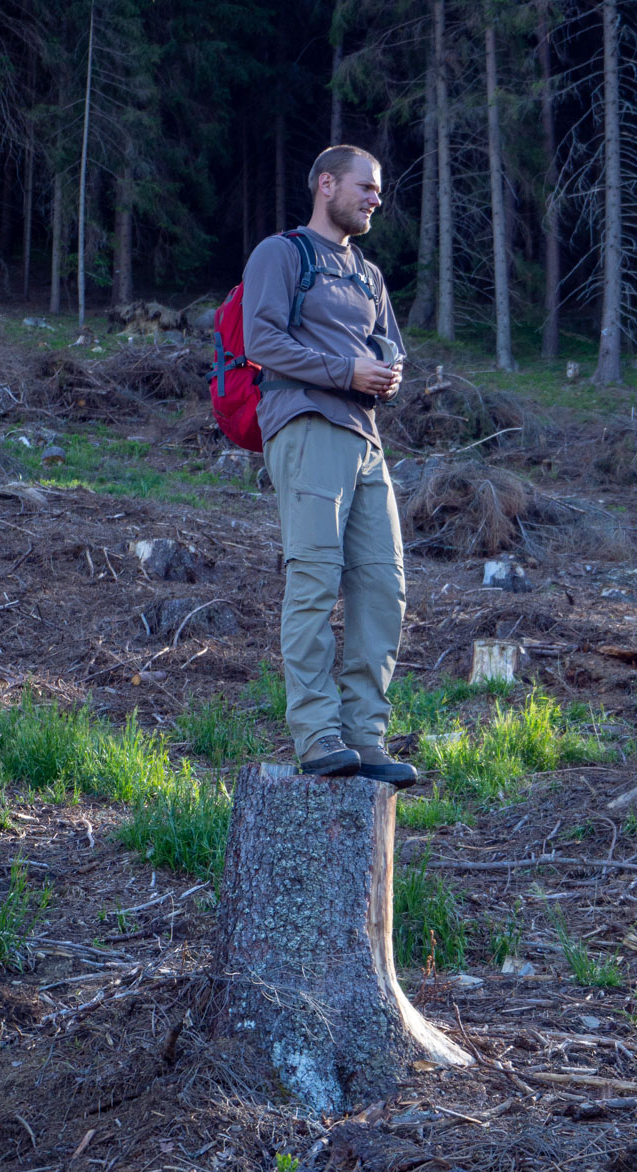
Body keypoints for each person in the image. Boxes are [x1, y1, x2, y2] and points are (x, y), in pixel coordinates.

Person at [242, 144, 417, 788]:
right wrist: (347, 370)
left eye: (379, 190)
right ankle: (317, 734)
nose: (376, 198)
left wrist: (386, 374)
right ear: (326, 184)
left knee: (382, 587)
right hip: (308, 427)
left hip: (365, 440)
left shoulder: (369, 275)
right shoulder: (282, 254)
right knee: (314, 579)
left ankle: (366, 736)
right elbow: (261, 341)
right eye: (366, 187)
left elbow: (390, 347)